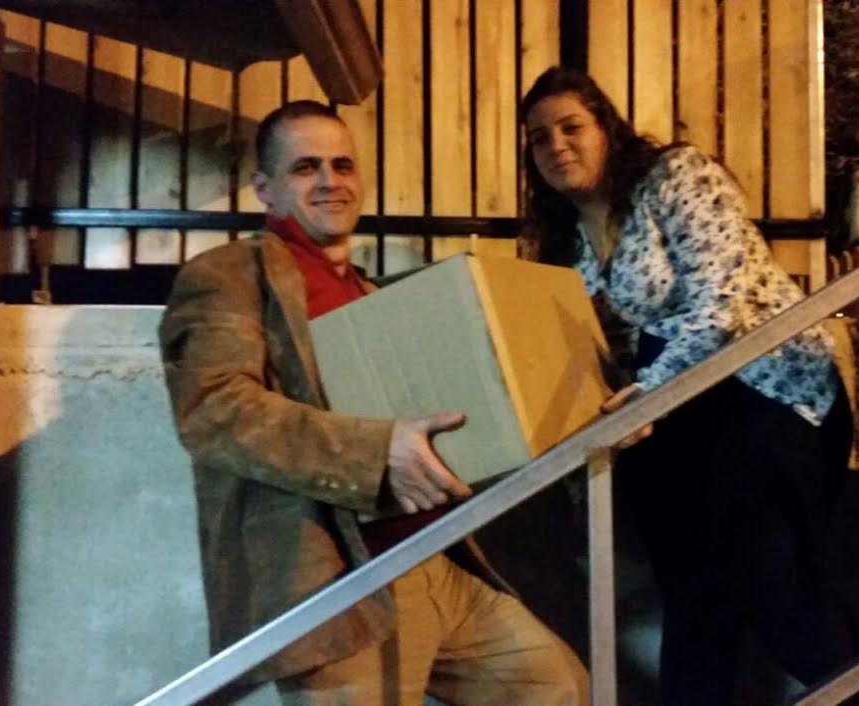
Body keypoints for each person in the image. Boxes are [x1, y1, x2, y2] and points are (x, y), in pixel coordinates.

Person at [159, 99, 587, 706]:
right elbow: (213, 409)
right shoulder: (227, 273)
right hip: (337, 584)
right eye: (305, 167)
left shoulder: (368, 292)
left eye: (342, 165)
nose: (330, 180)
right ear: (265, 189)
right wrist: (376, 451)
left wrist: (577, 407)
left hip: (437, 562)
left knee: (558, 687)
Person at [520, 66, 859, 704]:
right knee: (691, 593)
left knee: (774, 581)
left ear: (606, 128)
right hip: (673, 417)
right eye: (540, 137)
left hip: (764, 386)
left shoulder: (676, 176)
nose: (556, 145)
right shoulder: (562, 243)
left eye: (571, 127)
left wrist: (652, 388)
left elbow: (723, 299)